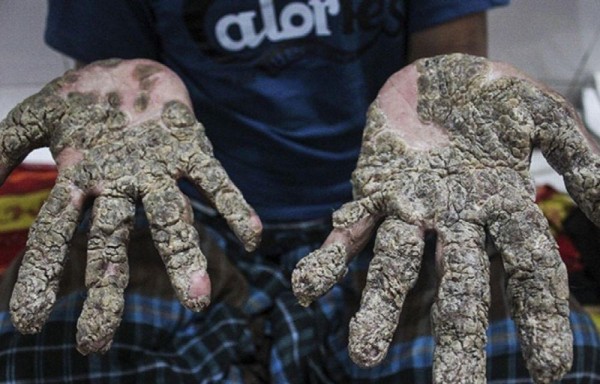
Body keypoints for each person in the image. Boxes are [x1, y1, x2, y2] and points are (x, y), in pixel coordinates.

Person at [0, 0, 599, 382]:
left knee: (527, 353)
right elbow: (120, 83)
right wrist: (118, 98)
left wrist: (457, 109)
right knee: (56, 340)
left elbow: (450, 60)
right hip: (195, 209)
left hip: (393, 201)